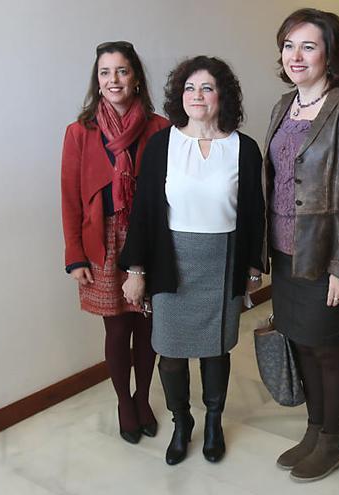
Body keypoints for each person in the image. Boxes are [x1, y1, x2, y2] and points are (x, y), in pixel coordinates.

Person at [120, 56, 265, 466]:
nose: (196, 96)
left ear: (223, 96)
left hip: (222, 261)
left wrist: (253, 266)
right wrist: (136, 270)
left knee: (216, 351)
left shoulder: (244, 148)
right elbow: (144, 212)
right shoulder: (162, 144)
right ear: (178, 96)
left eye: (206, 88)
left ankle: (214, 422)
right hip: (172, 261)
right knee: (170, 352)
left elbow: (254, 211)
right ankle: (182, 423)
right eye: (189, 88)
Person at [262, 7, 339, 482]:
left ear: (331, 54)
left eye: (308, 46)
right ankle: (314, 429)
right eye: (289, 45)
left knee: (329, 347)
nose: (296, 56)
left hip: (328, 252)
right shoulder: (282, 106)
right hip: (286, 252)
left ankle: (335, 439)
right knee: (302, 343)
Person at [60, 41, 168, 445]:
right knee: (117, 327)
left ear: (136, 77)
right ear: (97, 80)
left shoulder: (160, 128)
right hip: (102, 240)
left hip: (149, 237)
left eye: (121, 71)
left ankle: (144, 398)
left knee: (148, 325)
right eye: (105, 72)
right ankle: (125, 401)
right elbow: (70, 197)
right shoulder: (80, 132)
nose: (113, 80)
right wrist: (75, 256)